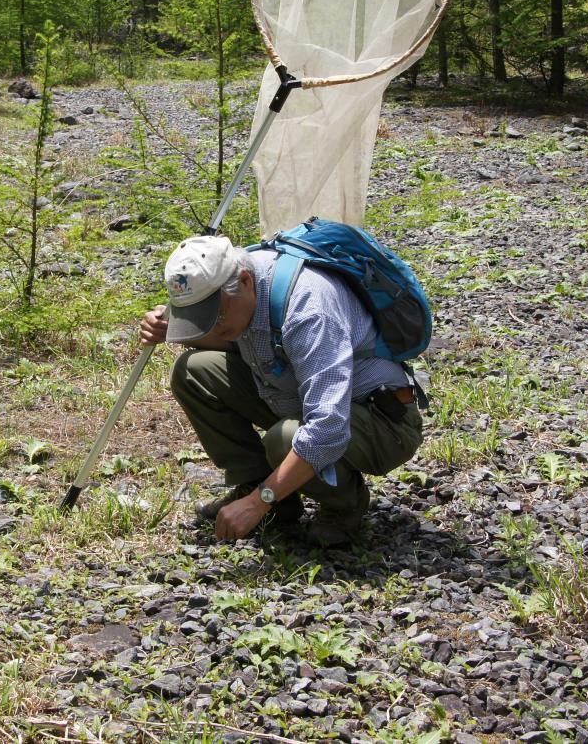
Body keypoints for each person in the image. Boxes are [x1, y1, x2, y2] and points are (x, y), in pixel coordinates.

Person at [141, 234, 424, 548]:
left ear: (245, 282)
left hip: (380, 421)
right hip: (294, 394)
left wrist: (258, 501)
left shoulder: (308, 310)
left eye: (213, 316)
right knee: (193, 371)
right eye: (198, 319)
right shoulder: (241, 287)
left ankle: (342, 506)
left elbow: (327, 429)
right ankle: (275, 499)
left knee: (284, 438)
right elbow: (237, 340)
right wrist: (175, 332)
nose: (209, 327)